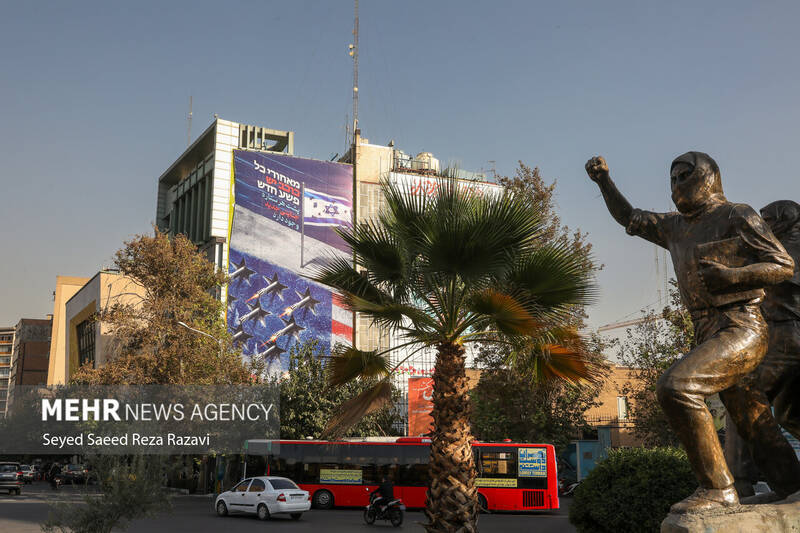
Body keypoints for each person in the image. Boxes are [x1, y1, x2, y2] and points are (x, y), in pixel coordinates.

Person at [585, 152, 796, 513]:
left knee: (676, 386)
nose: (678, 184)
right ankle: (792, 486)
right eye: (673, 178)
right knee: (752, 420)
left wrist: (734, 277)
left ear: (710, 177)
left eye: (686, 175)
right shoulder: (674, 226)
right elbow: (629, 217)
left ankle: (718, 488)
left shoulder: (737, 215)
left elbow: (782, 264)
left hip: (741, 326)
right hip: (708, 331)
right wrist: (604, 181)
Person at [726, 199, 800, 501]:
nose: (759, 227)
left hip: (786, 335)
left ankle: (736, 485)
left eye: (765, 221)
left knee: (741, 397)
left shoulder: (786, 250)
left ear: (783, 221)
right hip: (786, 336)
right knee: (790, 415)